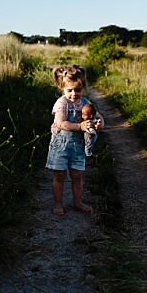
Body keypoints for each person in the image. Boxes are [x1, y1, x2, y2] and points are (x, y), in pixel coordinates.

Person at [46, 65, 104, 216]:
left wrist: (98, 125)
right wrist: (80, 126)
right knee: (59, 175)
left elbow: (100, 118)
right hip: (61, 145)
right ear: (62, 88)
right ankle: (58, 203)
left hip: (77, 145)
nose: (73, 94)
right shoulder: (62, 103)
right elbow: (61, 123)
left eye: (77, 90)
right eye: (69, 90)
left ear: (83, 88)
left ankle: (78, 202)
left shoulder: (85, 103)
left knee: (77, 175)